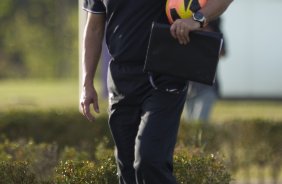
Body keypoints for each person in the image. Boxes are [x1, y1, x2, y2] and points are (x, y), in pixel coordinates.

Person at [80, 0, 233, 183]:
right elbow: (94, 28)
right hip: (120, 78)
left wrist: (197, 19)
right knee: (127, 168)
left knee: (150, 160)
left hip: (164, 75)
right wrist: (87, 81)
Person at [185, 17, 227, 122]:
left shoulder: (215, 32)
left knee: (200, 123)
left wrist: (209, 37)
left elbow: (223, 53)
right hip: (189, 87)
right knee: (190, 124)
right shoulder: (190, 29)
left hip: (207, 88)